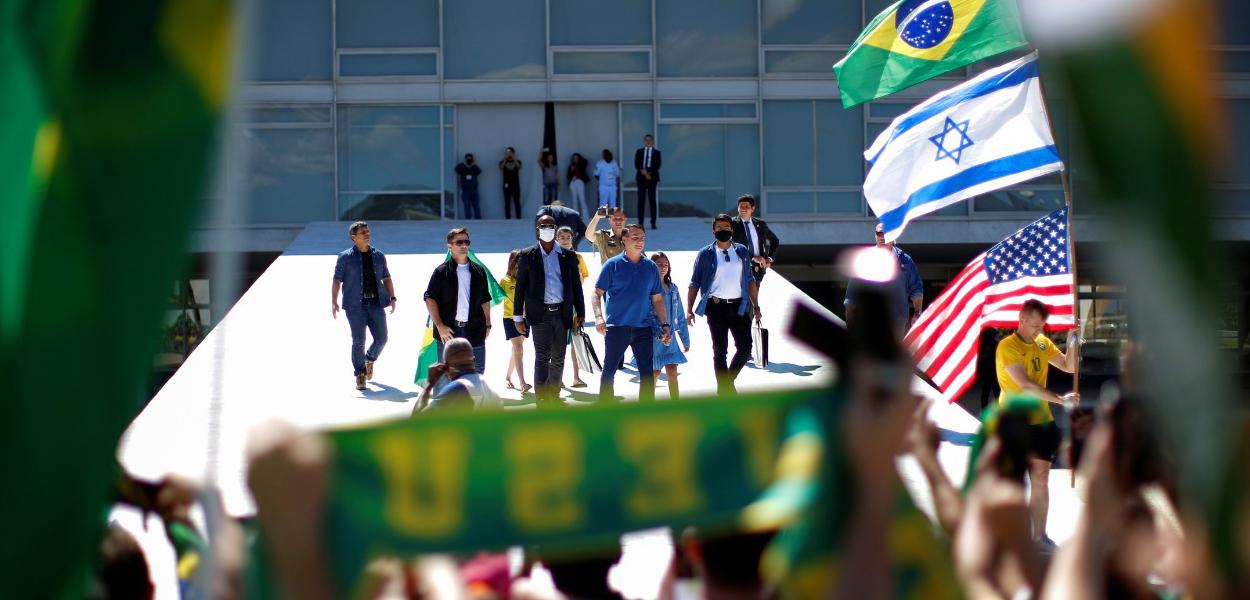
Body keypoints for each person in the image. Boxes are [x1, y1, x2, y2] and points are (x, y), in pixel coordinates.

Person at [994, 299, 1081, 550]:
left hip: (1042, 423)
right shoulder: (1005, 347)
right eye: (1034, 326)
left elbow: (1069, 365)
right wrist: (1059, 399)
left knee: (1041, 479)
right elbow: (1026, 386)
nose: (1038, 331)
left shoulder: (1043, 342)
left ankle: (1039, 535)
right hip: (1014, 424)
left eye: (1041, 326)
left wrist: (1072, 340)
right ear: (1020, 320)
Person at [513, 215, 586, 407]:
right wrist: (517, 316)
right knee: (542, 357)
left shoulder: (568, 256)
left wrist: (581, 313)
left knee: (559, 357)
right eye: (543, 226)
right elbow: (520, 288)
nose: (547, 229)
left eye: (551, 226)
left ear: (555, 229)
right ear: (537, 229)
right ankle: (542, 398)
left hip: (562, 314)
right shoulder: (527, 255)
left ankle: (554, 395)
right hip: (540, 315)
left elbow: (576, 287)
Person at [593, 223, 670, 403]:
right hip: (616, 328)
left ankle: (646, 413)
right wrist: (598, 317)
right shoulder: (612, 265)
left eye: (642, 238)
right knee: (609, 371)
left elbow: (657, 299)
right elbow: (596, 293)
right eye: (635, 237)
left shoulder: (651, 267)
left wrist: (665, 325)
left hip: (643, 328)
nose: (639, 241)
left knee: (646, 374)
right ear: (624, 240)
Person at [686, 214, 761, 397]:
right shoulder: (705, 254)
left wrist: (756, 306)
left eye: (726, 227)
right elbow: (694, 282)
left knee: (745, 348)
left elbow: (750, 279)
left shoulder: (742, 251)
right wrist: (689, 309)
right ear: (713, 231)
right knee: (720, 350)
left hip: (740, 306)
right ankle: (724, 391)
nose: (723, 230)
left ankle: (727, 382)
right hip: (716, 307)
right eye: (719, 228)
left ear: (731, 230)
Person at [331, 221, 396, 391]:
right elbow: (337, 280)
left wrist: (393, 296)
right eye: (363, 233)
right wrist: (334, 301)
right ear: (354, 237)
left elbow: (386, 277)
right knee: (359, 340)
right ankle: (360, 374)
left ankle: (370, 359)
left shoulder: (379, 255)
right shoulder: (345, 257)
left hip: (376, 303)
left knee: (382, 338)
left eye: (368, 231)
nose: (367, 234)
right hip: (355, 306)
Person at [423, 228, 491, 373]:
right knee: (445, 376)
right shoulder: (441, 272)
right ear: (449, 245)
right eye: (459, 242)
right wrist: (440, 326)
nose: (464, 245)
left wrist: (488, 324)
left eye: (466, 242)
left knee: (477, 373)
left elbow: (485, 299)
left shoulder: (479, 271)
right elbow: (430, 299)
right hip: (449, 332)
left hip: (475, 329)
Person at [844, 223, 923, 330]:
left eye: (887, 233)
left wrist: (917, 313)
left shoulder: (906, 261)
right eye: (879, 233)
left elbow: (916, 289)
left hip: (897, 323)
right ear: (875, 236)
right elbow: (851, 297)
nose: (883, 237)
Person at [413, 338, 501, 413]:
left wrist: (429, 385)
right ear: (474, 361)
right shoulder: (490, 391)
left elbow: (416, 423)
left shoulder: (457, 389)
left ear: (446, 366)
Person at [649, 252, 690, 400]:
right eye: (659, 264)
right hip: (655, 336)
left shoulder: (673, 288)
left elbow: (680, 316)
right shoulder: (648, 288)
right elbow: (647, 314)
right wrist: (660, 333)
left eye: (665, 265)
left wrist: (685, 339)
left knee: (672, 372)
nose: (663, 267)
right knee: (655, 373)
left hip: (671, 336)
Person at [558, 226, 589, 388]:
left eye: (568, 237)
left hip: (574, 305)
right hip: (559, 305)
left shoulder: (578, 257)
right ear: (557, 239)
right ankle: (558, 378)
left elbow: (582, 279)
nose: (565, 239)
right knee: (559, 343)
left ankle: (576, 377)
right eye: (562, 237)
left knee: (575, 341)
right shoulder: (553, 257)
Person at [498, 250, 531, 394]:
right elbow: (496, 297)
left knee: (517, 349)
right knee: (518, 348)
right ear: (512, 263)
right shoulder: (505, 281)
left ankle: (508, 376)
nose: (520, 265)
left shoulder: (528, 278)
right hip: (510, 318)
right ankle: (523, 383)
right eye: (517, 262)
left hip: (526, 318)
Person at [730, 194, 780, 284]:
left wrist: (769, 259)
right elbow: (729, 246)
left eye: (747, 207)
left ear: (752, 209)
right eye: (741, 206)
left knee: (753, 297)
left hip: (758, 270)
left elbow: (775, 240)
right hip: (738, 269)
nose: (744, 209)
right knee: (742, 297)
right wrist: (752, 258)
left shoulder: (760, 224)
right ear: (738, 208)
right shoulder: (731, 224)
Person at [634, 134, 662, 229]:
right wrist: (645, 173)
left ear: (652, 141)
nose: (648, 142)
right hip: (641, 179)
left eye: (650, 140)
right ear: (644, 141)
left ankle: (653, 222)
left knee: (652, 201)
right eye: (646, 140)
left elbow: (657, 165)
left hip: (652, 179)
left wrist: (648, 172)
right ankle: (640, 222)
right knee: (641, 200)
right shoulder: (639, 152)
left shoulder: (657, 153)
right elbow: (637, 164)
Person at [454, 153, 482, 220]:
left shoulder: (474, 167)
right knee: (466, 206)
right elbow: (456, 169)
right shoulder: (462, 166)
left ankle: (478, 219)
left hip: (474, 190)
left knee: (476, 205)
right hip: (465, 190)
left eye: (470, 159)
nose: (469, 160)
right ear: (465, 159)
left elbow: (479, 171)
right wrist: (464, 163)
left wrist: (473, 164)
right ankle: (468, 220)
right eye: (467, 159)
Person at [499, 147, 522, 219]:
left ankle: (518, 217)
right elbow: (501, 167)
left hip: (515, 185)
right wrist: (505, 159)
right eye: (507, 153)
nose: (508, 154)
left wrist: (513, 158)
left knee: (517, 202)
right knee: (507, 203)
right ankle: (507, 218)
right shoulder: (503, 161)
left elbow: (519, 166)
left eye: (510, 152)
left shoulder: (517, 161)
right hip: (506, 185)